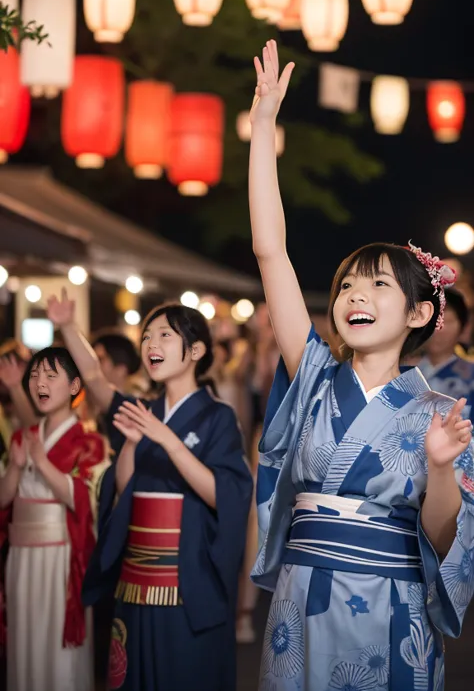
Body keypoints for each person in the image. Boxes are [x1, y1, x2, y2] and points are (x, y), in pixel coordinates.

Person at [248, 40, 474, 691]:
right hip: (303, 596)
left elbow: (439, 537)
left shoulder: (442, 415)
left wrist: (438, 468)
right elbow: (271, 252)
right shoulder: (314, 372)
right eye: (347, 284)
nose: (354, 295)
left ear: (416, 315)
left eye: (378, 286)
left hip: (390, 606)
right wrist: (263, 128)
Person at [47, 292, 253, 691]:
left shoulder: (218, 417)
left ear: (195, 350)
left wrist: (169, 442)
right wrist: (67, 326)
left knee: (182, 675)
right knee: (135, 673)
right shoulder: (144, 411)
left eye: (164, 335)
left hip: (187, 577)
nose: (151, 345)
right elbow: (124, 484)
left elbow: (225, 495)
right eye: (146, 337)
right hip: (136, 575)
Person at [0, 346, 106, 691]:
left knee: (58, 648)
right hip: (22, 555)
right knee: (24, 637)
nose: (39, 383)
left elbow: (85, 500)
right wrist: (16, 466)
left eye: (50, 375)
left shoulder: (89, 442)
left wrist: (41, 462)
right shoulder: (23, 437)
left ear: (75, 386)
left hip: (61, 557)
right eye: (34, 376)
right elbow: (5, 499)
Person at [417, 288, 474, 420]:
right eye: (434, 322)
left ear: (464, 328)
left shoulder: (470, 376)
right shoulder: (403, 371)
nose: (439, 330)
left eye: (447, 322)